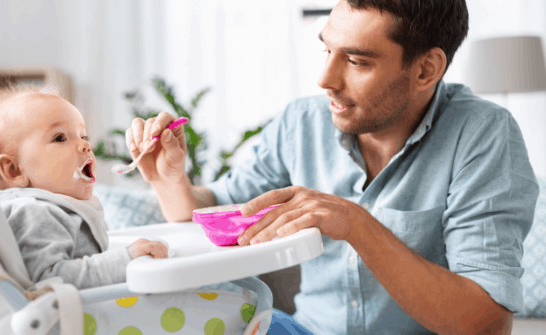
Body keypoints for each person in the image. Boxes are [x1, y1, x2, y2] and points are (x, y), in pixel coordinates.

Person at [125, 0, 539, 334]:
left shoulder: (483, 134)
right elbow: (212, 213)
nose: (325, 79)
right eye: (326, 50)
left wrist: (357, 225)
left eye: (357, 62)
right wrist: (170, 180)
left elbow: (487, 323)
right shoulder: (300, 123)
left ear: (425, 70)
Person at [0, 85, 168, 289]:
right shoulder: (35, 212)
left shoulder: (56, 209)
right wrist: (126, 259)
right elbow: (48, 280)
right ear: (14, 170)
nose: (85, 146)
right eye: (60, 138)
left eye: (83, 136)